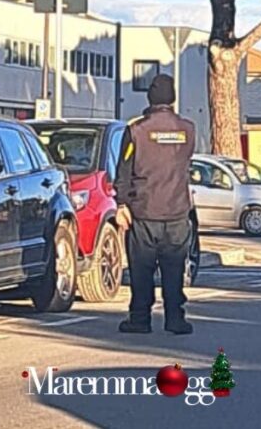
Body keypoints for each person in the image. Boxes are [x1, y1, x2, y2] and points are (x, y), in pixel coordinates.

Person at [114, 74, 197, 335]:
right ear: (172, 98)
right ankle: (175, 318)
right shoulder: (188, 129)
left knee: (142, 270)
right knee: (174, 268)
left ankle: (140, 319)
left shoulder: (136, 130)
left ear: (150, 97)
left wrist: (121, 203)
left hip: (144, 211)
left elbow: (124, 169)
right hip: (177, 211)